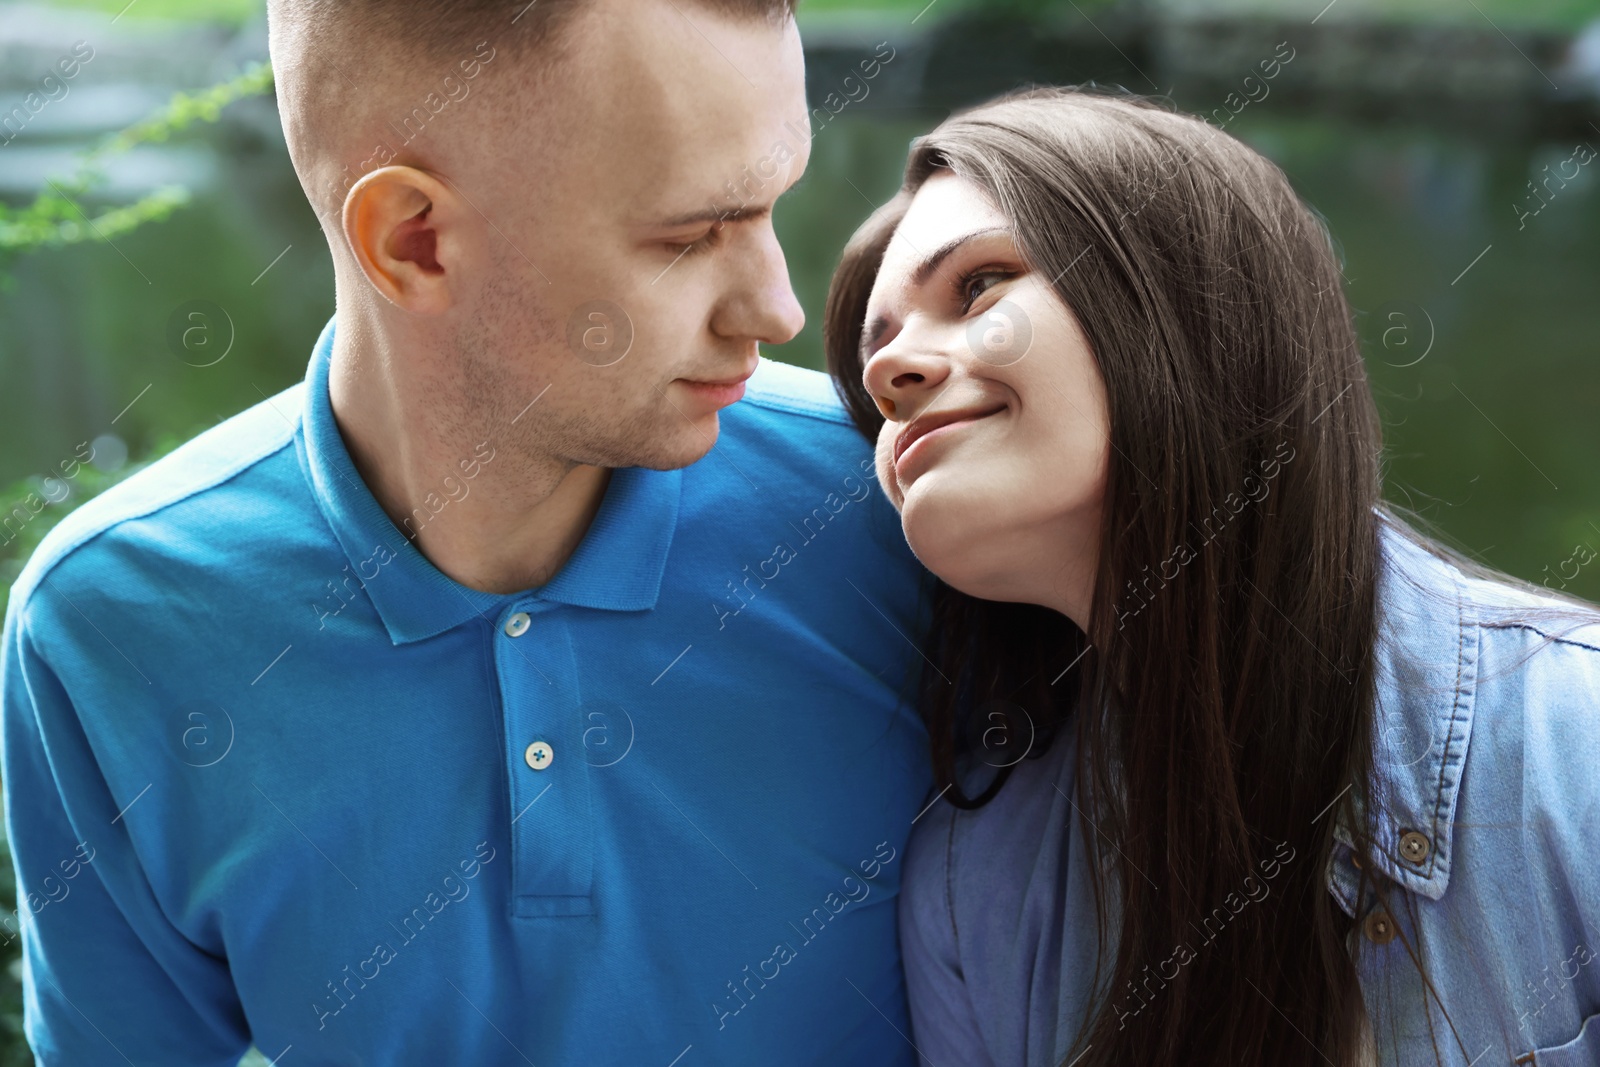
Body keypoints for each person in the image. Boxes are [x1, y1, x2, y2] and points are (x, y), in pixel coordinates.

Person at [0, 2, 932, 1064]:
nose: (775, 307)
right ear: (415, 241)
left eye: (774, 208)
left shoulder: (905, 508)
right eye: (689, 235)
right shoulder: (112, 624)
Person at [823, 87, 1600, 1067]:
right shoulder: (966, 891)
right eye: (874, 365)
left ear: (1187, 299)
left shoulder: (1575, 746)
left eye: (978, 285)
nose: (891, 373)